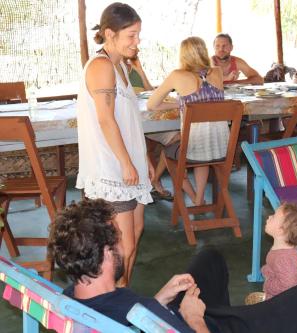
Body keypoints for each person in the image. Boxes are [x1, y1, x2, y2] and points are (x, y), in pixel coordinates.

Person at [48, 199, 297, 333]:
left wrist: (161, 298)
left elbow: (132, 315)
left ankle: (231, 315)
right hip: (200, 326)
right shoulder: (123, 307)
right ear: (108, 253)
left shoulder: (72, 297)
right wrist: (194, 318)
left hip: (168, 318)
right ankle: (238, 320)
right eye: (120, 240)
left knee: (209, 259)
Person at [76, 2, 153, 287]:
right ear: (109, 33)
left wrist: (143, 161)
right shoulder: (101, 66)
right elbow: (106, 120)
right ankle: (112, 303)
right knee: (123, 246)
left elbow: (128, 119)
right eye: (131, 35)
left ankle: (123, 295)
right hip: (111, 168)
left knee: (135, 232)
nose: (137, 42)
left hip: (128, 164)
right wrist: (125, 162)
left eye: (138, 35)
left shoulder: (120, 66)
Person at [147, 37, 229, 206]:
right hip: (221, 147)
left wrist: (180, 103)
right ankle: (199, 199)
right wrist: (183, 103)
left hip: (193, 150)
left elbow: (151, 104)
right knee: (202, 148)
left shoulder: (178, 75)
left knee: (169, 149)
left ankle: (192, 196)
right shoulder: (218, 72)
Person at [124, 49, 178, 201]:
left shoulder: (134, 69)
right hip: (130, 122)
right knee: (138, 142)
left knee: (177, 137)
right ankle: (147, 184)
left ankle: (155, 178)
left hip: (148, 120)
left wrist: (140, 70)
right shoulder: (113, 70)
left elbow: (150, 91)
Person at [246, 203, 297, 304]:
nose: (269, 216)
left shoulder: (283, 258)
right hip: (287, 300)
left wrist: (268, 283)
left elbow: (288, 285)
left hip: (286, 305)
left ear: (281, 230)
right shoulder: (283, 250)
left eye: (274, 216)